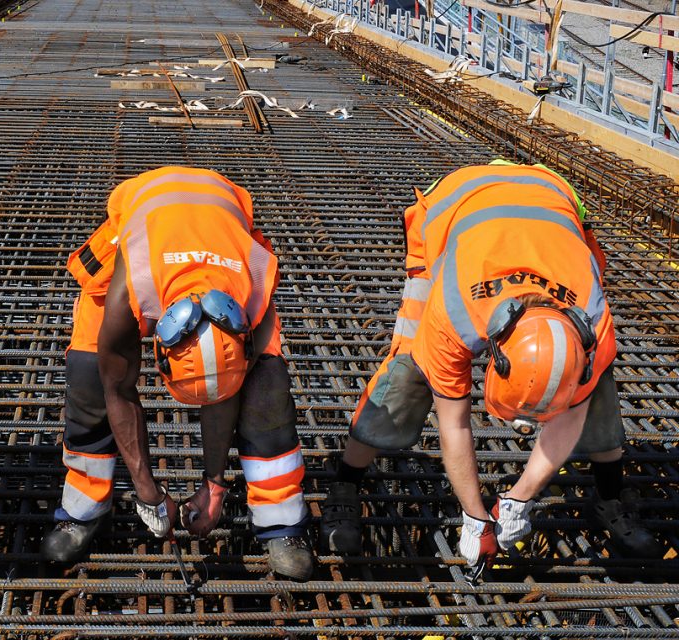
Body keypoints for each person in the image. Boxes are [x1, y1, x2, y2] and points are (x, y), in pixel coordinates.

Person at [320, 162, 660, 576]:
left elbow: (572, 414)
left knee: (596, 385)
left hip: (549, 202)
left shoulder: (594, 325)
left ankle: (610, 496)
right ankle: (345, 482)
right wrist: (474, 515)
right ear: (495, 355)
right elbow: (455, 424)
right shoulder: (455, 313)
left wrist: (521, 497)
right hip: (454, 208)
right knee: (409, 368)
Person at [39, 166, 314, 580]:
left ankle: (281, 523)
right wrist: (147, 492)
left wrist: (214, 483)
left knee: (266, 390)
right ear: (161, 351)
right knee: (91, 377)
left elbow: (221, 390)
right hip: (144, 216)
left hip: (220, 221)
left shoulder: (254, 288)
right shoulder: (128, 285)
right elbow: (121, 391)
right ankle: (83, 509)